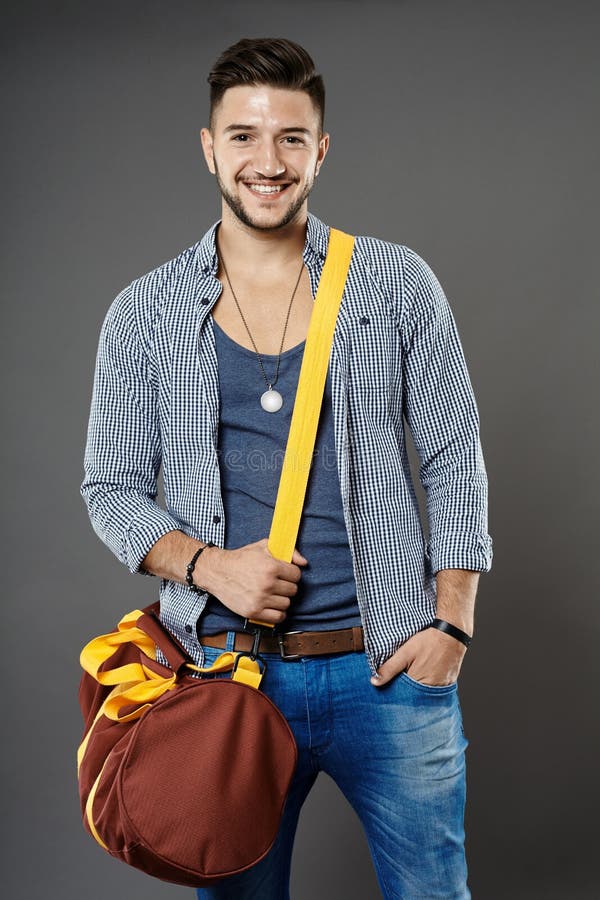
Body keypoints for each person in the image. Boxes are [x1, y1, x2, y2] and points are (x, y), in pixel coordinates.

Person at [80, 36, 493, 900]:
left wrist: (451, 626)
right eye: (244, 136)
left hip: (390, 670)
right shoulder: (144, 312)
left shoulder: (396, 283)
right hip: (227, 679)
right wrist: (207, 565)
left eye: (290, 138)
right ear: (210, 147)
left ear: (321, 150)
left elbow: (454, 453)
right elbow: (109, 487)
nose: (267, 162)